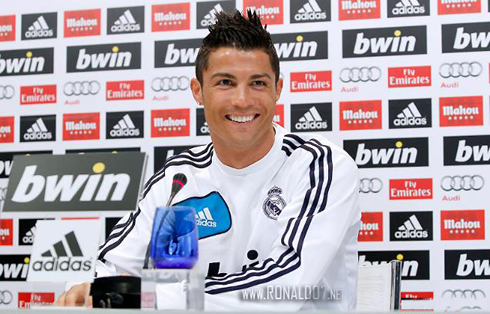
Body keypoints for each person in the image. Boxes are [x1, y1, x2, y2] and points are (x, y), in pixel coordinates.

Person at [57, 10, 360, 310]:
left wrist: (149, 296)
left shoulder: (319, 166)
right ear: (198, 91)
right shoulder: (178, 179)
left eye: (258, 83)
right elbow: (110, 267)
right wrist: (86, 288)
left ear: (277, 90)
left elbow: (281, 290)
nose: (242, 100)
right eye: (225, 82)